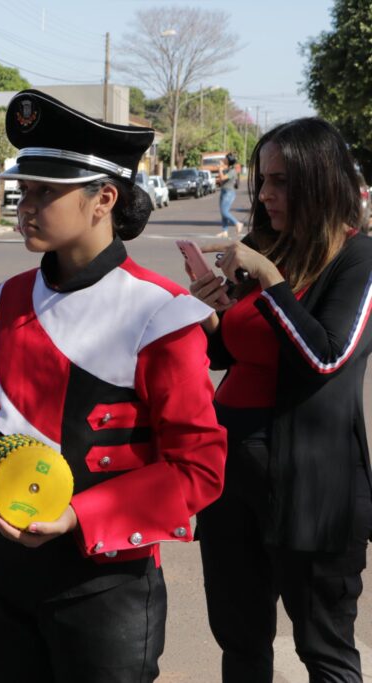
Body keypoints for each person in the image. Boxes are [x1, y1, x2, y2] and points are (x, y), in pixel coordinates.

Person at [0, 90, 227, 682]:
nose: (25, 207)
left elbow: (199, 467)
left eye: (45, 192)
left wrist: (78, 516)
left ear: (103, 198)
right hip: (3, 571)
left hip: (106, 582)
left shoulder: (158, 312)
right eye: (23, 190)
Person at [188, 118, 372, 682]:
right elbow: (231, 354)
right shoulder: (274, 249)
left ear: (321, 181)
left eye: (283, 181)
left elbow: (323, 358)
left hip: (313, 489)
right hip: (231, 479)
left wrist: (269, 282)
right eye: (263, 179)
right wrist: (212, 309)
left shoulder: (356, 258)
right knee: (241, 643)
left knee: (325, 651)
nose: (265, 193)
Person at [216, 153, 243, 238]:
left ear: (229, 160)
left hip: (229, 193)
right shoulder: (227, 169)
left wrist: (220, 169)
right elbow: (220, 180)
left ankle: (237, 223)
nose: (224, 160)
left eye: (226, 159)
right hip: (223, 191)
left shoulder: (233, 171)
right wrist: (220, 169)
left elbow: (223, 178)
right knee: (223, 212)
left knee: (225, 211)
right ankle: (225, 231)